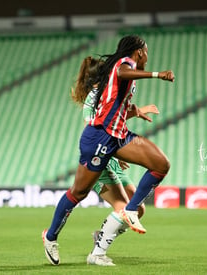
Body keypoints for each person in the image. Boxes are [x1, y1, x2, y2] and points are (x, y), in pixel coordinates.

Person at [42, 35, 175, 266]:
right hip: (99, 140)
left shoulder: (112, 81)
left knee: (161, 165)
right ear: (140, 52)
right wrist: (156, 74)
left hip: (118, 137)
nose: (148, 55)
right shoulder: (125, 64)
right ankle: (51, 236)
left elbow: (115, 104)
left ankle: (122, 221)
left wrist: (134, 111)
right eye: (147, 51)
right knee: (78, 193)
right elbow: (122, 73)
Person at [70, 56, 160, 266]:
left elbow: (113, 120)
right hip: (100, 159)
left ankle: (102, 234)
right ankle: (97, 253)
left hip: (109, 156)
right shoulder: (96, 97)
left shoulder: (104, 96)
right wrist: (110, 152)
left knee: (137, 209)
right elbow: (94, 132)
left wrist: (137, 111)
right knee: (124, 209)